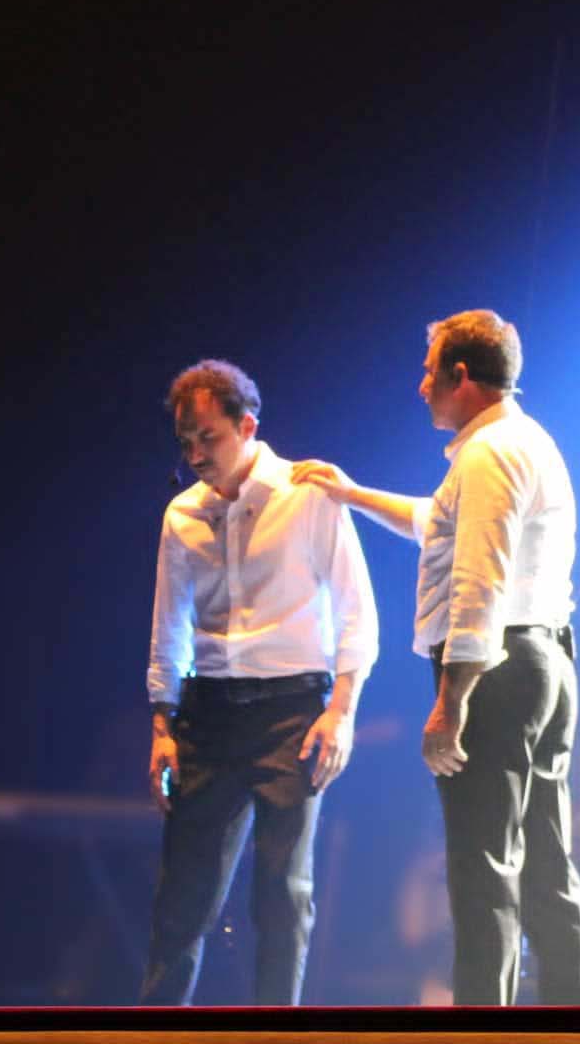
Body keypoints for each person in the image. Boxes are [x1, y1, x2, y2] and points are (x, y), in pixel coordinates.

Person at [293, 310, 580, 1005]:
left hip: (499, 667)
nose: (421, 385)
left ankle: (481, 1029)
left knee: (481, 865)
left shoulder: (489, 453)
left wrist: (451, 702)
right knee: (544, 862)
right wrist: (350, 493)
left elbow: (477, 582)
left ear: (461, 376)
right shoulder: (521, 441)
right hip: (543, 659)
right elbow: (435, 521)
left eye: (429, 371)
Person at [141, 359, 378, 1005]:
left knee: (282, 895)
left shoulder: (307, 495)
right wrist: (162, 724)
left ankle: (276, 1032)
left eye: (208, 437)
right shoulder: (182, 514)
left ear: (247, 426)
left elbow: (356, 610)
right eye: (185, 441)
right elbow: (169, 626)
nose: (195, 454)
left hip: (291, 710)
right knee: (182, 899)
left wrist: (341, 711)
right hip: (209, 713)